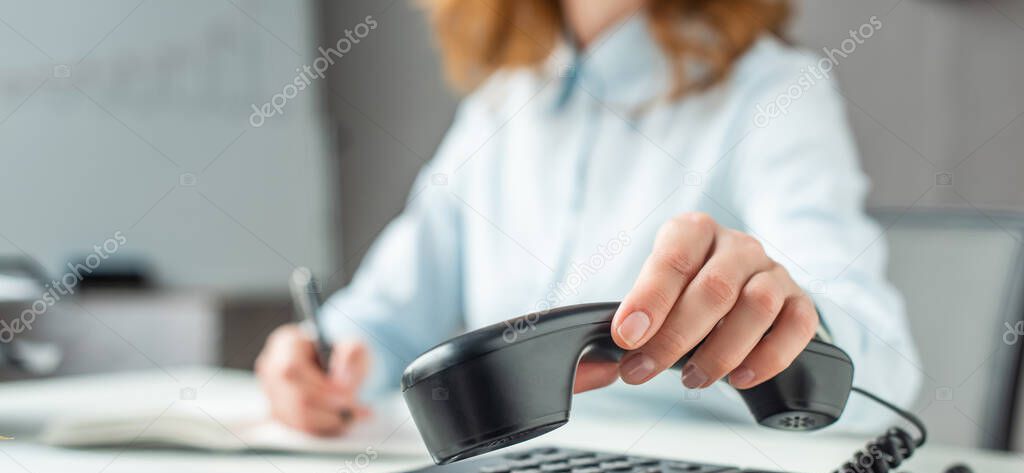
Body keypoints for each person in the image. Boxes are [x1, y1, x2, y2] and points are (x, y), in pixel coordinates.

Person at [256, 0, 919, 435]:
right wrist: (316, 364)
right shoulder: (502, 104)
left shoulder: (773, 91)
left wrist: (787, 320)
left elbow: (883, 371)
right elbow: (382, 321)